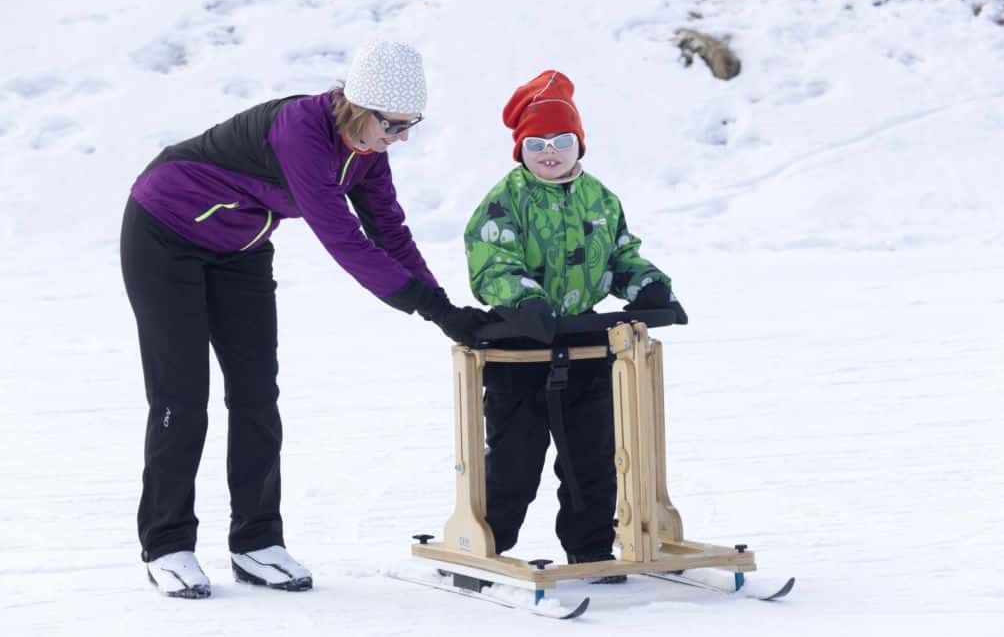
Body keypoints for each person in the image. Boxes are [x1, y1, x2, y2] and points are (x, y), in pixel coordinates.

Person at [121, 40, 489, 598]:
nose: (402, 137)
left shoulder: (367, 151)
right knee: (181, 395)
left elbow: (388, 231)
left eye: (411, 124)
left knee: (255, 394)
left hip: (240, 248)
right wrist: (427, 306)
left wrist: (443, 308)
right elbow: (342, 237)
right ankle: (168, 543)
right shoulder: (300, 131)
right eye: (394, 124)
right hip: (163, 234)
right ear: (360, 108)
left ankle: (257, 539)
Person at [463, 70, 687, 584]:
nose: (549, 152)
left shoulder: (600, 200)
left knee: (594, 459)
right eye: (537, 143)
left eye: (561, 142)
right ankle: (488, 547)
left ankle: (589, 550)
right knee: (515, 464)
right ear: (521, 148)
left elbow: (619, 257)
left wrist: (646, 286)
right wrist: (526, 302)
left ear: (578, 144)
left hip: (587, 347)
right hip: (522, 349)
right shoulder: (505, 200)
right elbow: (491, 262)